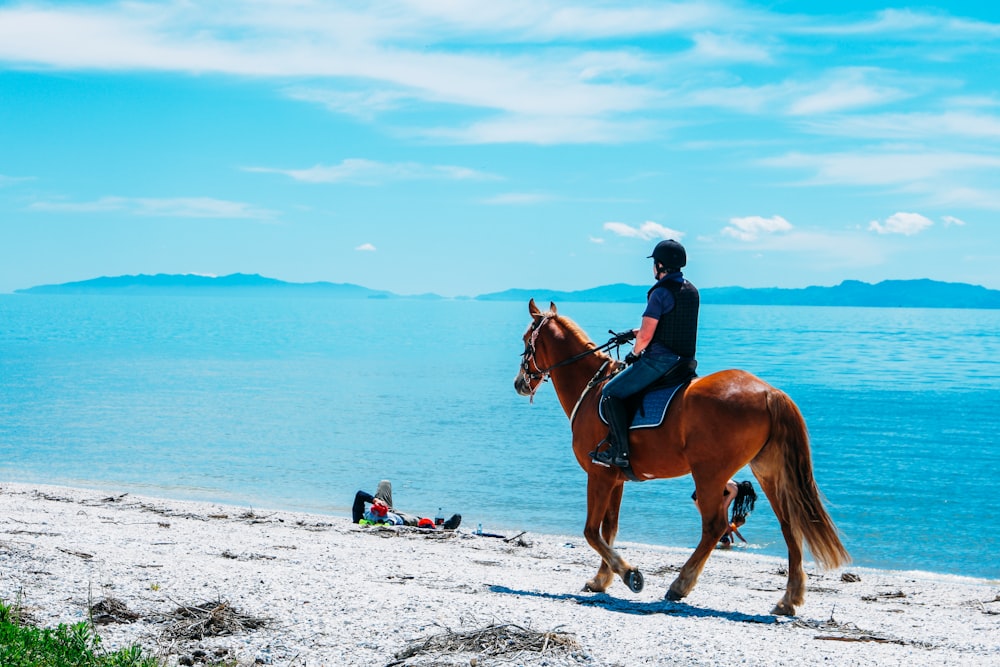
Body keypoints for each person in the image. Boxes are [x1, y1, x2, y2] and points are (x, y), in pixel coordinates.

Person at [591, 239, 699, 468]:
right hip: (685, 362)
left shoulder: (659, 293)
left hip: (660, 361)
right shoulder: (690, 290)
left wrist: (633, 353)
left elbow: (647, 336)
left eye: (654, 264)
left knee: (610, 392)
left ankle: (619, 453)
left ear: (660, 265)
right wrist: (630, 333)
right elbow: (669, 325)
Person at [352, 480, 462, 530]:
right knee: (417, 520)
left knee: (384, 483)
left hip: (384, 508)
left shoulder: (359, 517)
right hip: (400, 518)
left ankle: (380, 500)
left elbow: (359, 494)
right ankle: (443, 527)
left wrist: (375, 500)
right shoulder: (364, 522)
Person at [692, 479, 758, 547]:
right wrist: (726, 525)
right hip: (703, 494)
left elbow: (722, 505)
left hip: (699, 492)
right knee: (712, 523)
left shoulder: (730, 484)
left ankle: (711, 544)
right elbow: (724, 507)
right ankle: (710, 544)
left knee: (711, 523)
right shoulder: (734, 490)